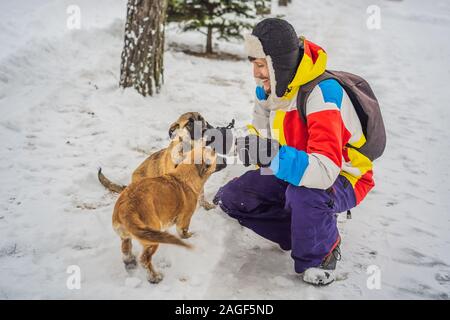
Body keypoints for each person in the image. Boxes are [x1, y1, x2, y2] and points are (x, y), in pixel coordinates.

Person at [212, 18, 375, 285]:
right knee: (232, 198)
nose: (256, 73)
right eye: (253, 64)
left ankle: (322, 251)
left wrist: (269, 154)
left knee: (304, 194)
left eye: (261, 65)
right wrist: (231, 145)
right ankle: (303, 229)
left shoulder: (323, 94)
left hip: (343, 175)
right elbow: (260, 137)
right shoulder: (269, 89)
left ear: (279, 64)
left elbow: (323, 172)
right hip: (295, 164)